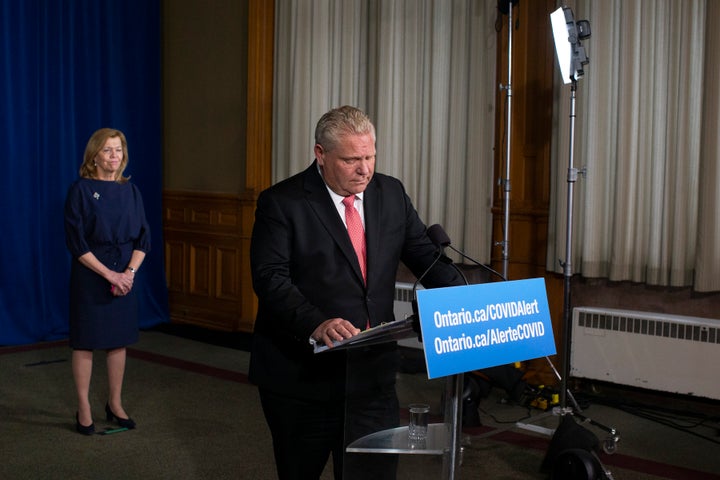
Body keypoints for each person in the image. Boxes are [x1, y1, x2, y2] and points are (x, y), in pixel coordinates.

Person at [249, 106, 464, 479]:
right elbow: (270, 279)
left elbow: (428, 260)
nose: (364, 169)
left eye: (370, 156)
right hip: (302, 379)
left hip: (372, 377)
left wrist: (467, 300)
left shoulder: (390, 192)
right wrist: (316, 322)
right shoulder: (282, 202)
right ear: (321, 154)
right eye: (351, 160)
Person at [64, 128, 150, 435]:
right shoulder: (81, 190)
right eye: (107, 151)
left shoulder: (131, 191)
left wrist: (128, 274)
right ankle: (84, 407)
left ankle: (114, 404)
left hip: (125, 274)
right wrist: (109, 274)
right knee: (85, 342)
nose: (114, 156)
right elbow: (77, 244)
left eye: (118, 150)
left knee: (118, 342)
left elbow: (143, 239)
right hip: (91, 274)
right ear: (94, 156)